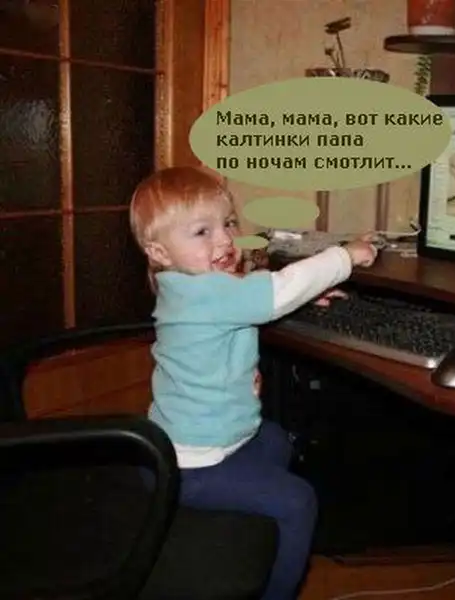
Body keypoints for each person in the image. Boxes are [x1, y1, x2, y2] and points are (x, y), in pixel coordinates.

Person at [129, 165, 377, 600]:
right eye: (202, 232)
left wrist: (304, 300)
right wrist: (344, 256)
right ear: (159, 251)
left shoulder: (187, 286)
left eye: (228, 224)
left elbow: (244, 302)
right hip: (193, 463)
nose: (225, 240)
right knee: (299, 501)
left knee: (276, 440)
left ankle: (239, 527)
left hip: (202, 439)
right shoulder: (206, 294)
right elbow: (274, 291)